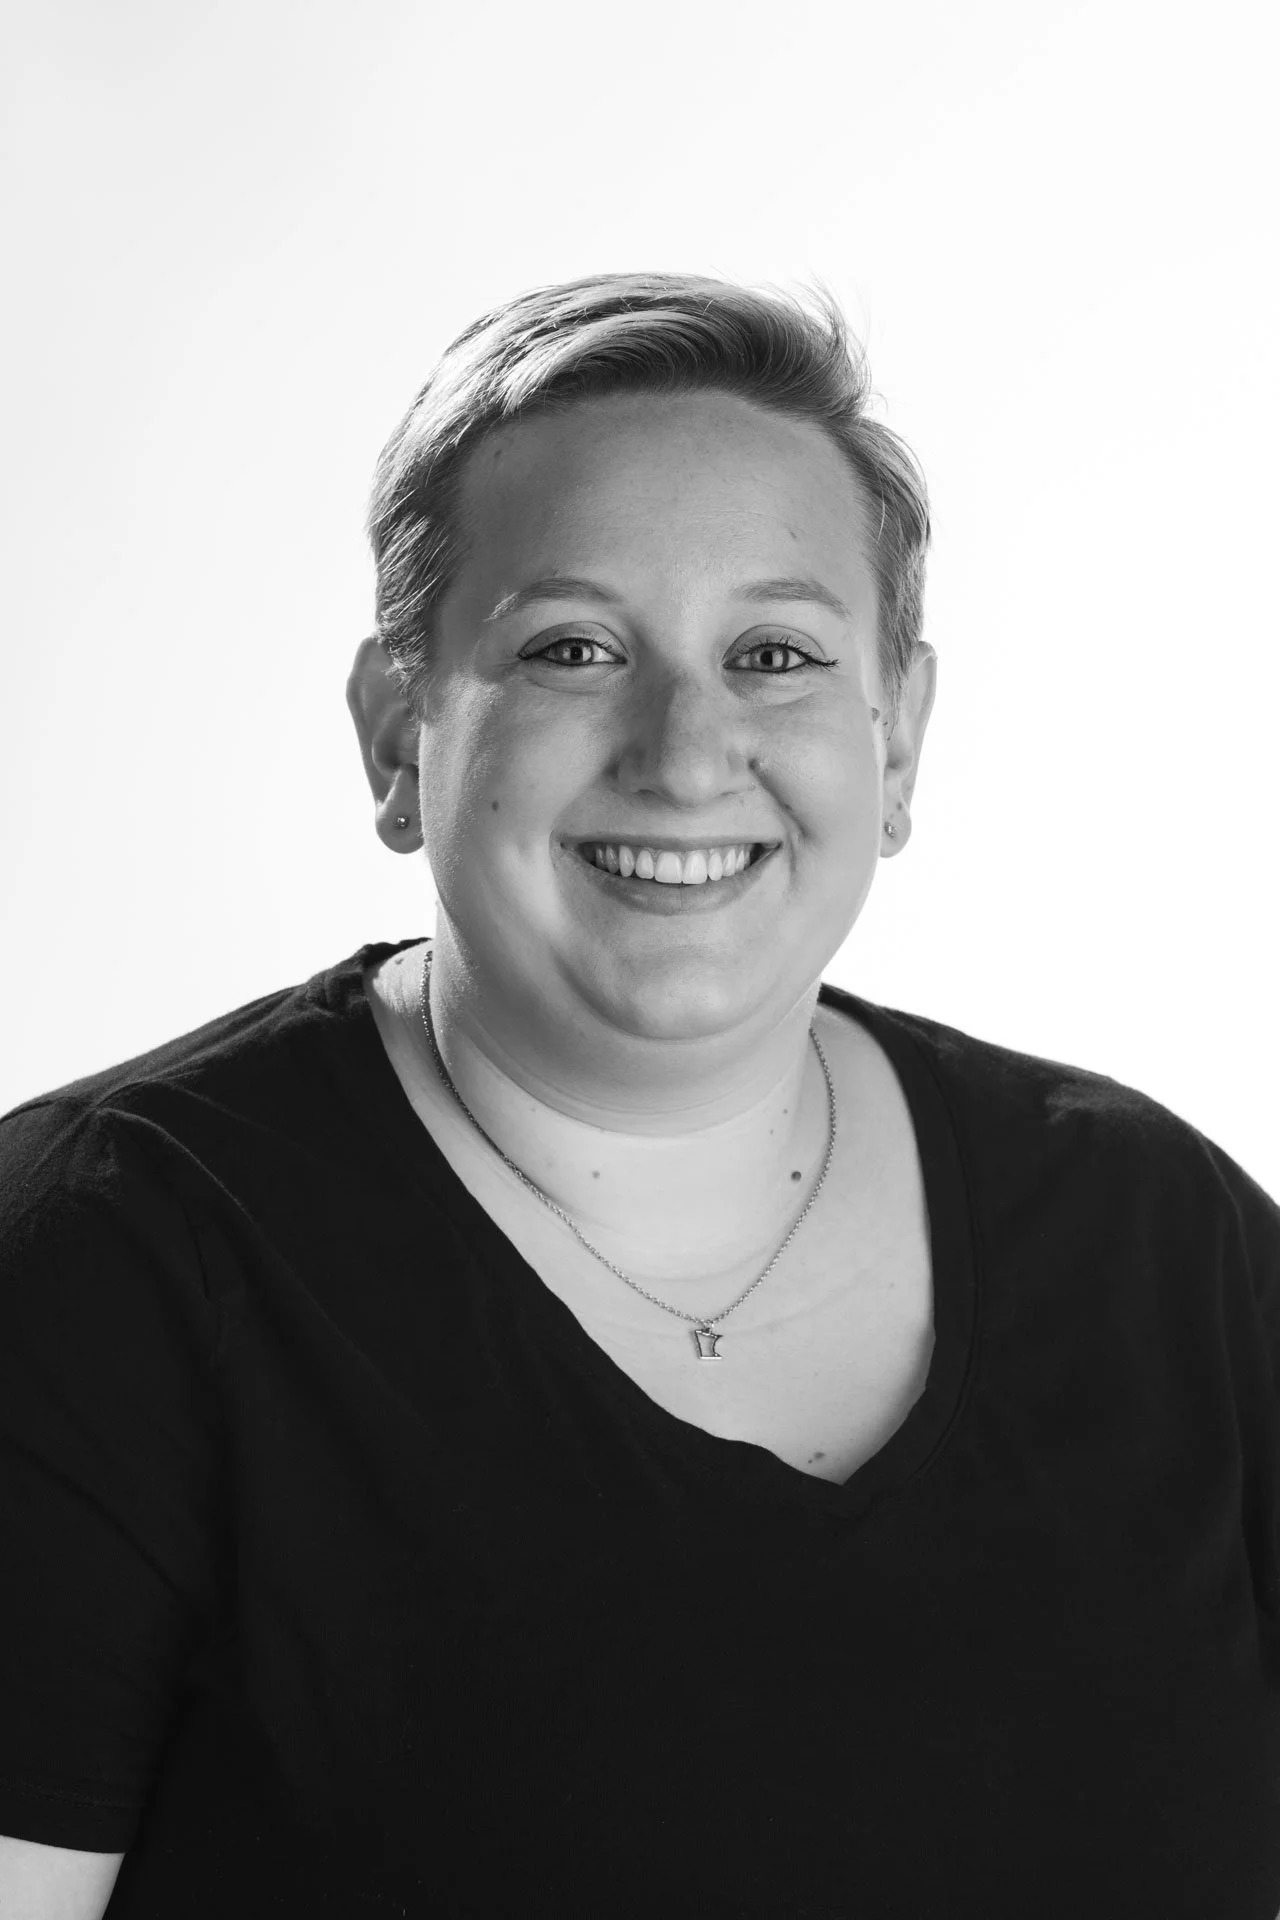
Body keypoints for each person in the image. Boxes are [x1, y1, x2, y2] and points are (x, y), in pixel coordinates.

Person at [1, 271, 1278, 1920]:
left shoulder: (1161, 1240)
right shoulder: (97, 1267)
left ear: (897, 746)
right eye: (573, 647)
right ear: (401, 734)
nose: (686, 749)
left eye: (775, 652)